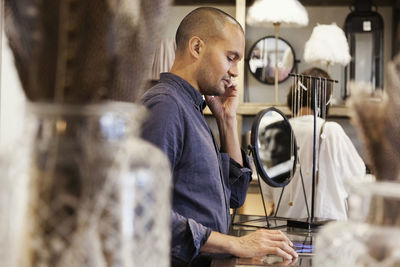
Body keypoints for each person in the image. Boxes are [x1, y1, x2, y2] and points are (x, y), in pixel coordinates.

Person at [141, 7, 297, 267]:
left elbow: (235, 196)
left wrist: (226, 120)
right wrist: (236, 243)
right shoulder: (166, 106)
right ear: (197, 47)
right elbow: (144, 212)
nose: (235, 71)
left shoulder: (193, 109)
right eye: (230, 57)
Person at [261, 67, 366, 220]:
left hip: (282, 230)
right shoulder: (330, 131)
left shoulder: (273, 131)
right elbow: (356, 179)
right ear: (326, 99)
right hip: (324, 230)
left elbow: (268, 191)